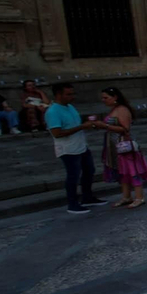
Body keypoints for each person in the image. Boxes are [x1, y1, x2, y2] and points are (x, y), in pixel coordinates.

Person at [89, 86, 147, 209]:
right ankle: (126, 196)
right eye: (102, 98)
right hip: (113, 145)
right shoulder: (115, 109)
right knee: (122, 171)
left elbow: (125, 129)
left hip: (123, 145)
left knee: (132, 170)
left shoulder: (122, 110)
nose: (103, 100)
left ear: (115, 97)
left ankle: (139, 197)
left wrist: (105, 126)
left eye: (106, 97)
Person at [44, 83, 100, 215]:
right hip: (68, 149)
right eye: (68, 94)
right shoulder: (53, 111)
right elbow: (57, 133)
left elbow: (74, 124)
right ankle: (72, 203)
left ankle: (87, 197)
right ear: (58, 94)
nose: (72, 97)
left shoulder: (70, 107)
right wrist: (81, 127)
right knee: (73, 176)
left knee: (89, 171)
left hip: (81, 145)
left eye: (73, 93)